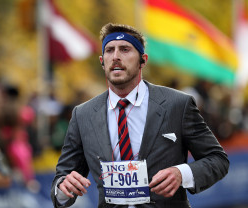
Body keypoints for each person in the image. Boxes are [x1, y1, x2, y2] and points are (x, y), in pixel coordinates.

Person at [50, 23, 229, 208]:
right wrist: (63, 189)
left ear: (143, 60)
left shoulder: (177, 104)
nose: (116, 57)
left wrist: (182, 173)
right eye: (110, 50)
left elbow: (218, 159)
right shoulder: (83, 115)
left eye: (125, 49)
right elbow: (62, 180)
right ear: (102, 61)